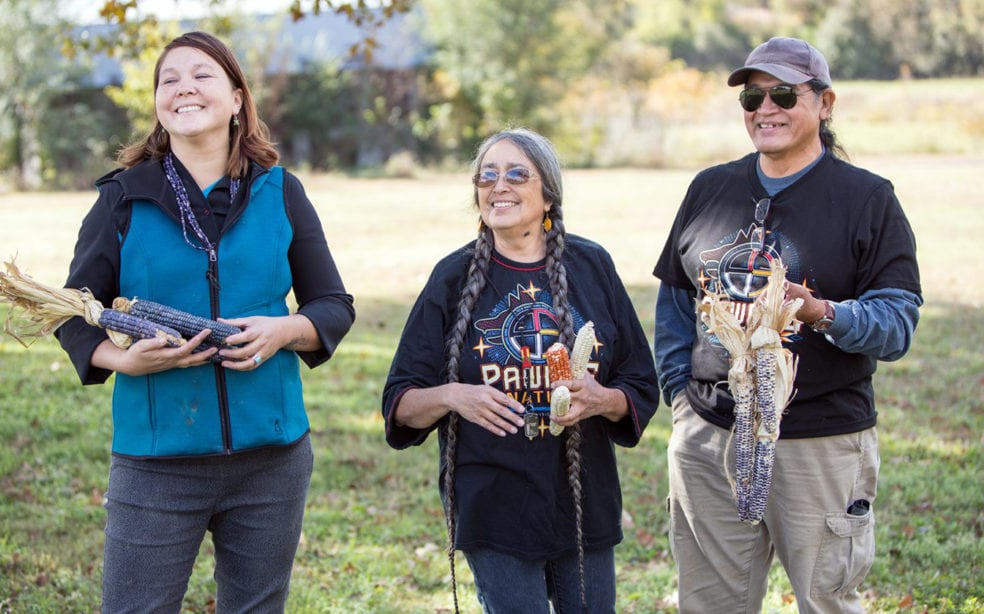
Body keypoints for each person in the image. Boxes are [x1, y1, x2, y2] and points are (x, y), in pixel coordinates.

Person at [56, 31, 354, 612]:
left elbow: (332, 304)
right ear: (158, 104)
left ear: (237, 98)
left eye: (202, 75)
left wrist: (283, 332)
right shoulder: (122, 197)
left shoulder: (280, 191)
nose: (184, 88)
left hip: (272, 458)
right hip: (156, 462)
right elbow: (74, 309)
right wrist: (121, 360)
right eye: (169, 79)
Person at [653, 36, 922, 613]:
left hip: (819, 442)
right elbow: (675, 298)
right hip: (710, 437)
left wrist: (821, 312)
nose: (765, 109)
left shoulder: (868, 198)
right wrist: (681, 397)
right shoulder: (710, 188)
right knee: (709, 606)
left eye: (783, 94)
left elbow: (898, 323)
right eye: (753, 97)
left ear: (825, 104)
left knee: (826, 602)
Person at [382, 127, 660, 613]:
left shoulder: (592, 266)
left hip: (583, 498)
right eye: (486, 176)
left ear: (548, 194)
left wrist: (601, 399)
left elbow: (639, 384)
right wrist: (453, 396)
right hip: (493, 502)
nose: (499, 186)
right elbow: (400, 403)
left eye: (516, 174)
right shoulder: (452, 277)